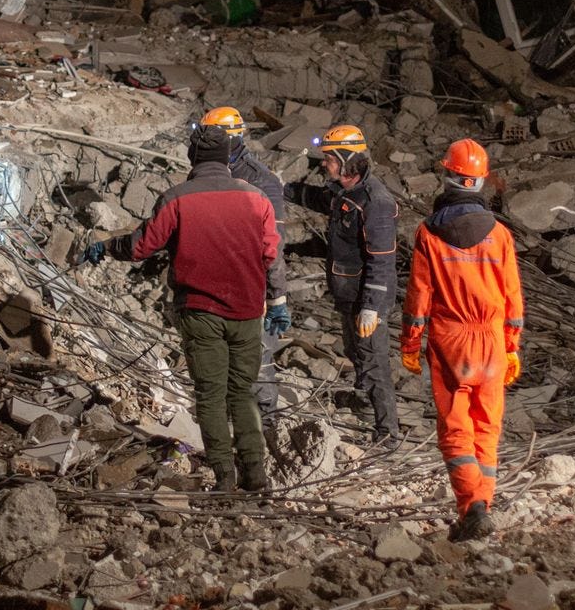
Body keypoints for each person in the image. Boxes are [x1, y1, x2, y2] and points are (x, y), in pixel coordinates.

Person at [79, 123, 278, 492]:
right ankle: (256, 474)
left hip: (200, 311)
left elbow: (141, 247)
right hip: (248, 312)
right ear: (227, 159)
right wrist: (275, 299)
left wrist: (105, 247)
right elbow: (270, 255)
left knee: (211, 395)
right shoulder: (257, 199)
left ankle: (224, 478)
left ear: (193, 157)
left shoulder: (177, 198)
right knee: (242, 392)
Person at [399, 139, 524, 540]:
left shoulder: (428, 233)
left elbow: (420, 296)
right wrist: (511, 345)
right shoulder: (500, 235)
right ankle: (481, 503)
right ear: (481, 182)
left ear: (448, 175)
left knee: (456, 429)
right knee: (487, 425)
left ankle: (472, 506)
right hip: (490, 338)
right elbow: (513, 297)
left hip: (451, 339)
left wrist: (410, 343)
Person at [284, 124, 401, 444]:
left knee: (374, 360)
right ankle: (363, 401)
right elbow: (318, 198)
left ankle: (387, 431)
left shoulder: (375, 202)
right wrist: (279, 187)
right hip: (348, 293)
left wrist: (372, 308)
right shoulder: (345, 192)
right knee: (355, 350)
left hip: (367, 298)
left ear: (348, 160)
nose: (325, 163)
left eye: (330, 158)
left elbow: (382, 260)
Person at [200, 106, 290, 427]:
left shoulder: (262, 181)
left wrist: (276, 297)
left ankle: (266, 429)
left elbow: (273, 244)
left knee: (255, 362)